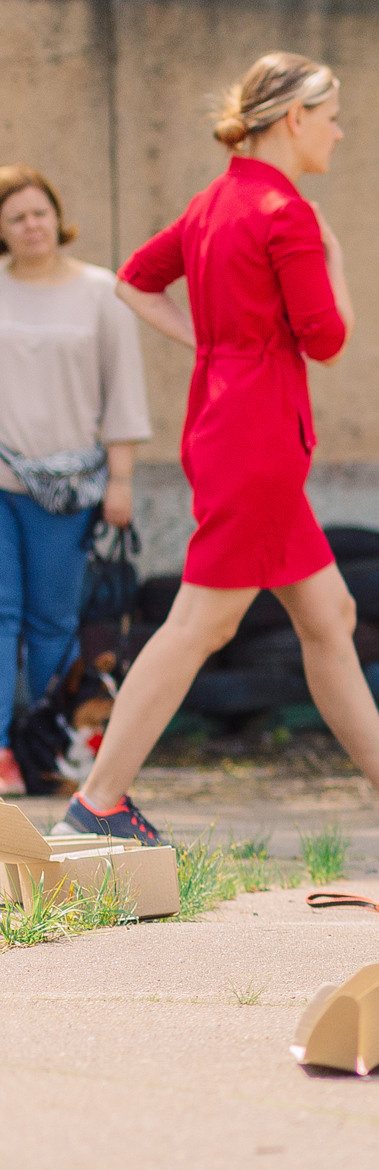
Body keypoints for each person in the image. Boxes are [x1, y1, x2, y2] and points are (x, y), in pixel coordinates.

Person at [56, 51, 379, 847]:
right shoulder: (287, 213)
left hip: (226, 424)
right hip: (257, 440)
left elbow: (132, 279)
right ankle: (99, 798)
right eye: (331, 116)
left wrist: (212, 345)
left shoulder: (211, 203)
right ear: (295, 118)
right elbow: (326, 337)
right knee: (199, 625)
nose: (338, 131)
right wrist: (334, 256)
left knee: (329, 611)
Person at [0, 166, 151, 796]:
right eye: (16, 218)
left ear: (56, 217)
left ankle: (51, 746)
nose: (31, 226)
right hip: (1, 478)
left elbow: (123, 390)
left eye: (39, 213)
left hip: (71, 488)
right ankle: (2, 751)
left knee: (54, 621)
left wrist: (120, 480)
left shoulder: (101, 292)